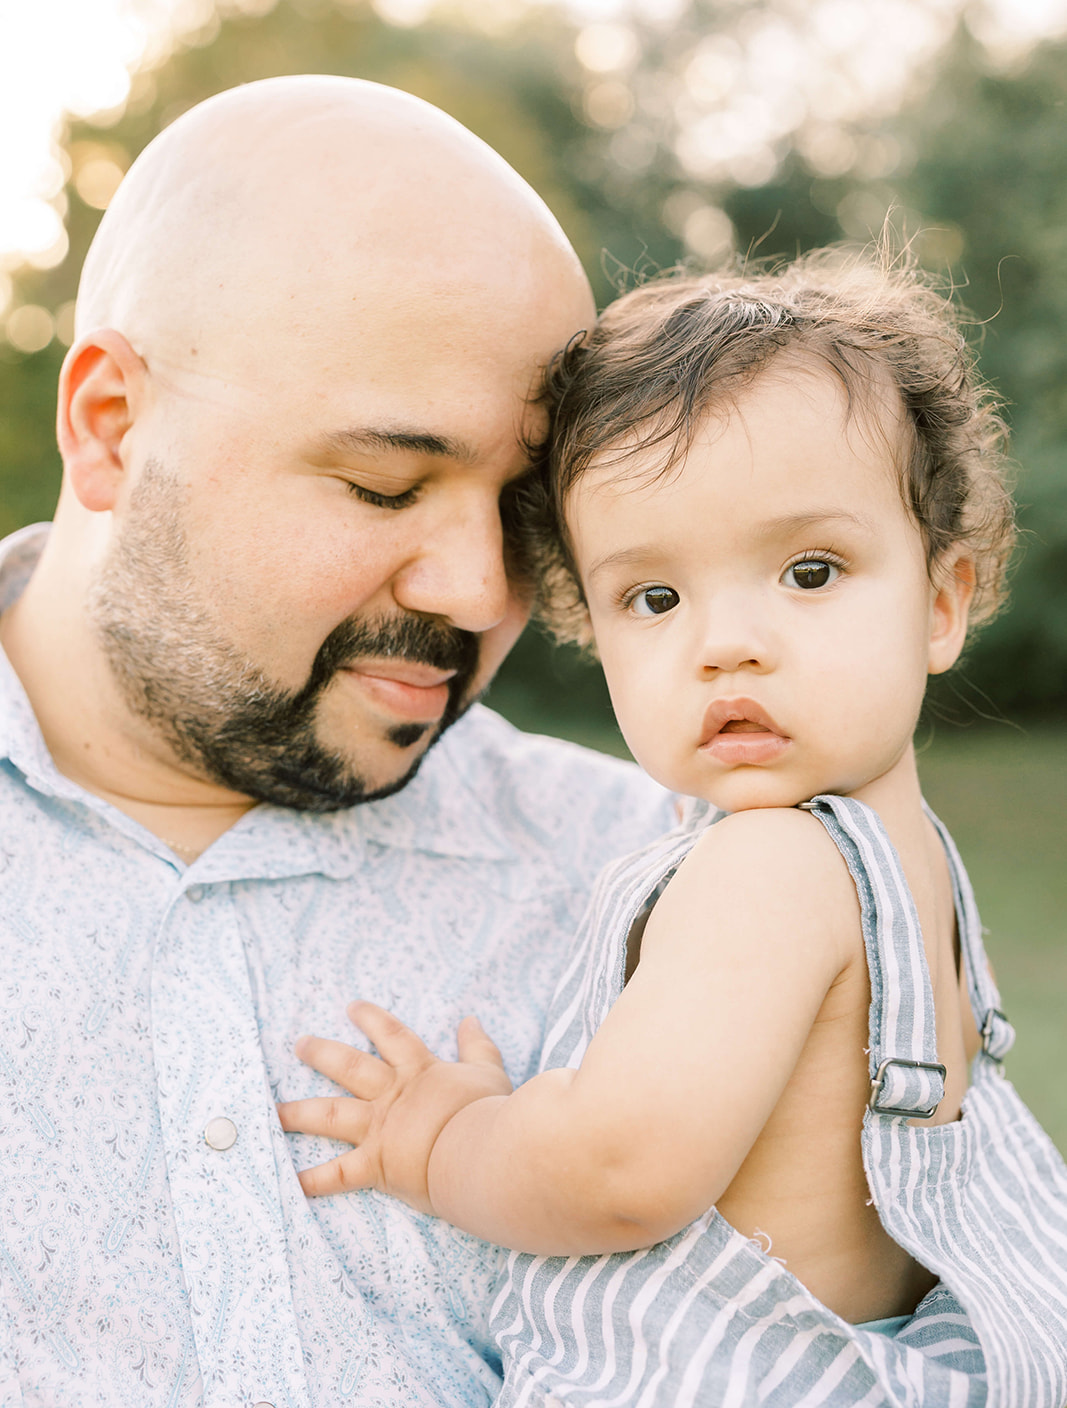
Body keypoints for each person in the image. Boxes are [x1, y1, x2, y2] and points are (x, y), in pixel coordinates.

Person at [279, 255, 1067, 1407]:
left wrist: (445, 1141)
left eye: (808, 570)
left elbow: (616, 1168)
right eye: (654, 597)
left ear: (940, 599)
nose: (724, 641)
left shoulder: (769, 862)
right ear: (589, 626)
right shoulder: (914, 871)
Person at [0, 75, 676, 1406]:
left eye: (519, 505)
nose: (481, 591)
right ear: (112, 430)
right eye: (383, 485)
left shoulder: (650, 884)